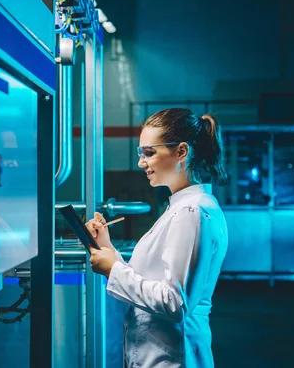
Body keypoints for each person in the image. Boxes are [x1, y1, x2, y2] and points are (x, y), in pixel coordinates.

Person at [85, 108, 229, 367]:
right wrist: (107, 247)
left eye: (149, 153)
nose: (141, 162)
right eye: (141, 153)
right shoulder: (181, 206)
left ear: (181, 152)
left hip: (172, 357)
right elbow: (151, 280)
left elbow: (175, 303)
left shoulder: (191, 211)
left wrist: (113, 270)